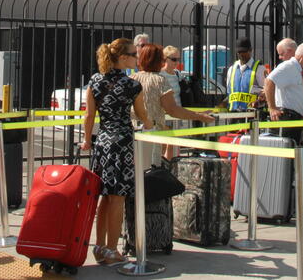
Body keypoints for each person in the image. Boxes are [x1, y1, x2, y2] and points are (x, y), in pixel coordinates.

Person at [81, 38, 152, 266]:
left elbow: (89, 116)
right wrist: (151, 124)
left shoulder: (95, 81)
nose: (136, 58)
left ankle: (100, 246)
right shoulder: (132, 85)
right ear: (122, 58)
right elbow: (141, 114)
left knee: (104, 196)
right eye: (133, 54)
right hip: (122, 143)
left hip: (102, 142)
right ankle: (112, 249)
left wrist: (86, 140)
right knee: (118, 198)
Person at [132, 43, 214, 165]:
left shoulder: (131, 78)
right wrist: (199, 116)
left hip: (133, 134)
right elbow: (173, 110)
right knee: (150, 171)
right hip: (152, 133)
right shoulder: (159, 80)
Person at [264, 41, 303, 146]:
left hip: (294, 118)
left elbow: (292, 93)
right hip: (288, 118)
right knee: (288, 151)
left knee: (293, 150)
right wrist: (272, 108)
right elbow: (269, 81)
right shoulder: (289, 66)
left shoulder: (295, 68)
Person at [224, 38, 267, 113]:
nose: (241, 54)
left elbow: (266, 91)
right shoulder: (231, 69)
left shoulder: (259, 68)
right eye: (239, 52)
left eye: (244, 51)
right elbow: (229, 92)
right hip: (233, 114)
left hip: (252, 114)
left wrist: (259, 100)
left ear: (250, 50)